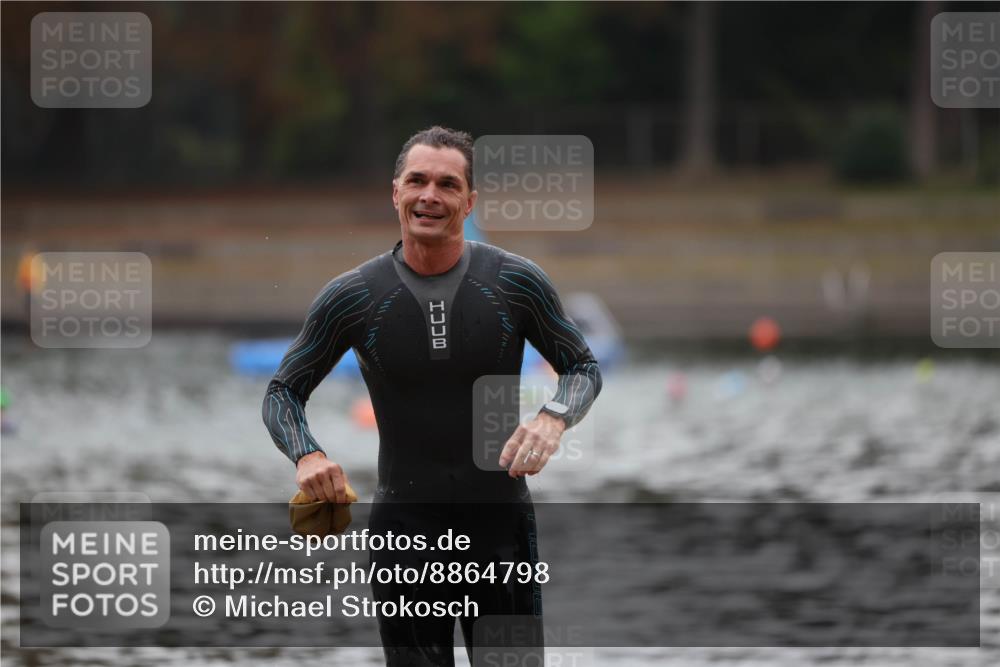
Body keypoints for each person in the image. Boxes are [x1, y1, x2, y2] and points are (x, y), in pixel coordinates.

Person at [262, 126, 601, 665]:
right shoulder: (354, 295)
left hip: (500, 531)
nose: (429, 196)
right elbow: (283, 392)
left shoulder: (514, 282)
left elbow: (582, 367)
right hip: (404, 533)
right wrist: (308, 454)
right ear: (394, 192)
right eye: (417, 181)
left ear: (469, 202)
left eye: (447, 184)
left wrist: (553, 419)